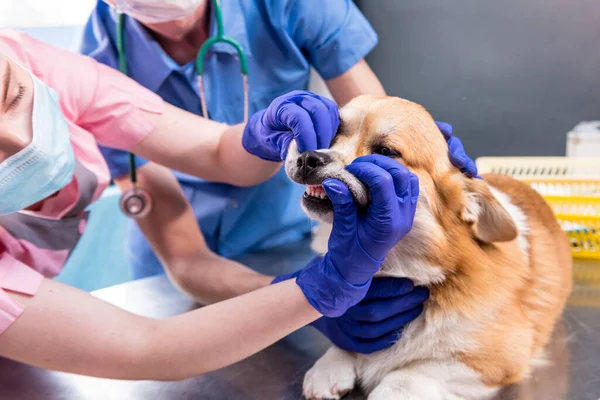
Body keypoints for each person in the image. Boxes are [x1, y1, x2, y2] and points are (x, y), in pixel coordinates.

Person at [0, 29, 424, 378]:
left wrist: (261, 134)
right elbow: (146, 347)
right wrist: (319, 291)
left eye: (13, 96)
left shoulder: (28, 61)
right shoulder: (104, 45)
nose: (21, 140)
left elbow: (215, 149)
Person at [79, 0, 477, 354]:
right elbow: (186, 261)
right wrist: (301, 298)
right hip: (176, 269)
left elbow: (375, 115)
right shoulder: (99, 66)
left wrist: (413, 147)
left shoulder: (291, 5)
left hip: (290, 234)